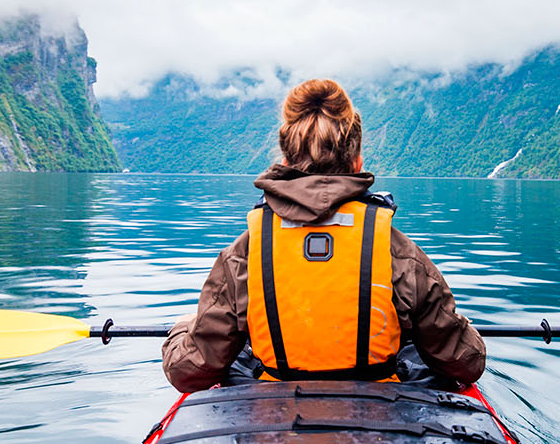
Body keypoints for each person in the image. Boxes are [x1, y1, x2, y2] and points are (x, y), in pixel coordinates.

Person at [161, 79, 486, 393]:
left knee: (240, 355)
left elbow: (189, 372)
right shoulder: (396, 251)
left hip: (276, 420)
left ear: (286, 162)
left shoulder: (245, 254)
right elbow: (465, 364)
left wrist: (183, 329)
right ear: (357, 163)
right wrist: (459, 328)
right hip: (377, 420)